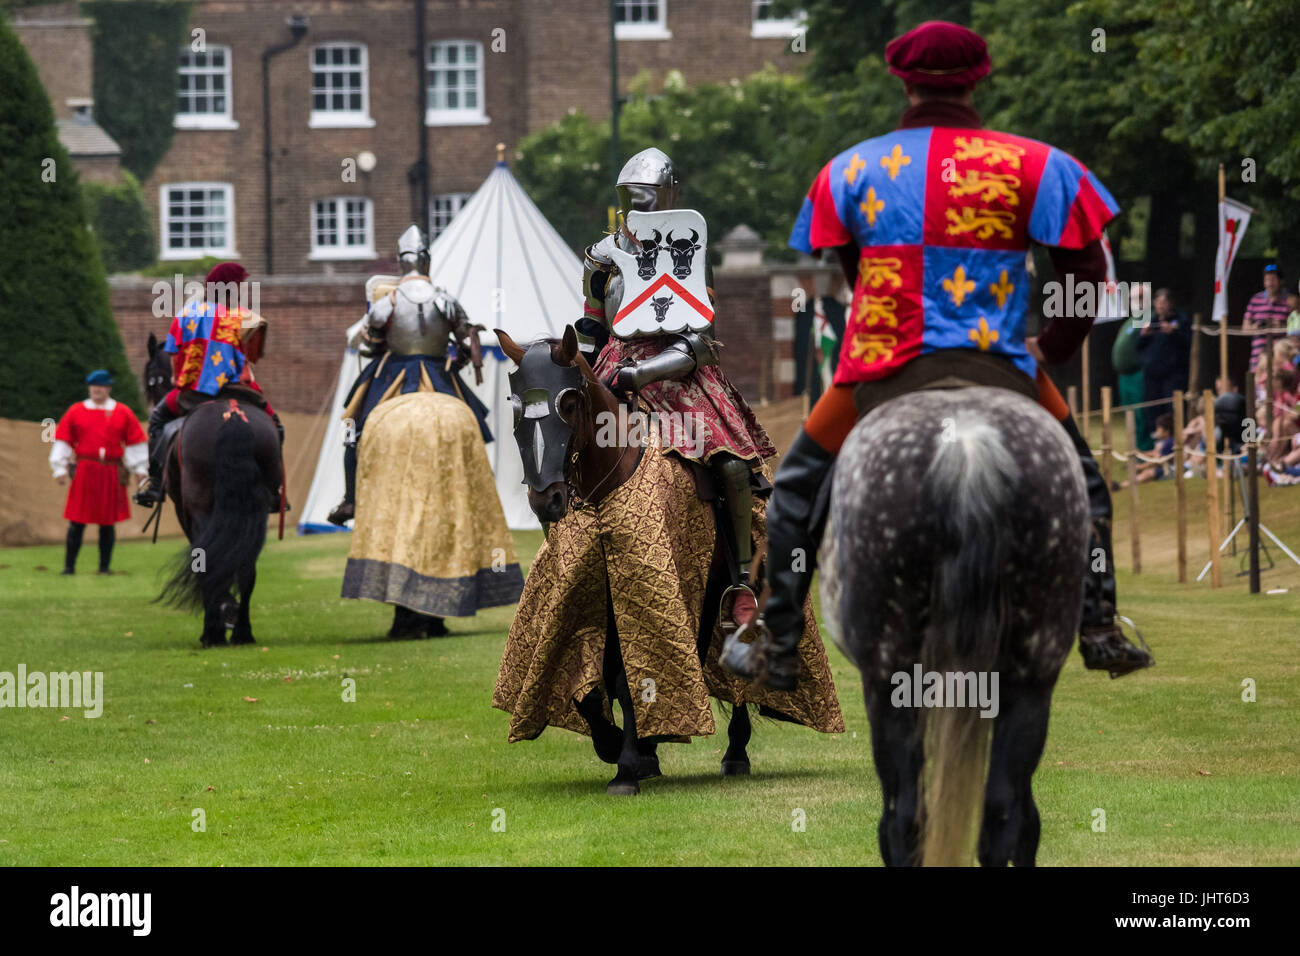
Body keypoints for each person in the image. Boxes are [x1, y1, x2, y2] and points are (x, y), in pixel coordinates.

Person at [732, 20, 1153, 689]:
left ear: (901, 78)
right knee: (1086, 483)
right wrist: (1054, 346)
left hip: (879, 368)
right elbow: (1084, 274)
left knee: (794, 490)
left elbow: (853, 267)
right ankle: (1099, 625)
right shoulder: (1041, 165)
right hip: (1002, 365)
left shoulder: (850, 170)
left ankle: (778, 639)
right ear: (979, 77)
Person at [578, 148, 776, 595]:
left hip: (681, 374)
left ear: (671, 194)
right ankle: (569, 561)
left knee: (731, 465)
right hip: (613, 366)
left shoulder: (691, 250)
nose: (640, 204)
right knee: (569, 455)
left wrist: (644, 373)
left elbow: (703, 340)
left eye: (649, 195)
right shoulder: (602, 255)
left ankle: (740, 576)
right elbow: (591, 327)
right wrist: (586, 379)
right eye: (633, 195)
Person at [326, 225, 489, 526]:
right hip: (438, 372)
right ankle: (479, 491)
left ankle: (351, 500)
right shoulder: (445, 300)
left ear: (402, 262)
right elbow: (466, 339)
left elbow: (370, 341)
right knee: (473, 425)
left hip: (394, 372)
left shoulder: (385, 302)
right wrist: (462, 355)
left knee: (354, 428)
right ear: (427, 261)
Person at [134, 262, 283, 507]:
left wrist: (177, 377)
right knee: (275, 425)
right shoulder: (243, 317)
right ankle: (273, 490)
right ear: (231, 289)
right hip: (238, 391)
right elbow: (251, 357)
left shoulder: (185, 315)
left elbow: (173, 353)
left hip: (193, 393)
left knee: (158, 419)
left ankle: (155, 484)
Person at [49, 370, 148, 574]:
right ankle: (69, 567)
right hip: (85, 470)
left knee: (107, 523)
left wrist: (139, 468)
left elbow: (134, 442)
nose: (97, 390)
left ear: (108, 388)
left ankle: (104, 567)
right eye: (94, 386)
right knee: (76, 521)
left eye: (101, 386)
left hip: (111, 471)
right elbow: (63, 440)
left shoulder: (123, 412)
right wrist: (59, 467)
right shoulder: (76, 411)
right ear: (89, 388)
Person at [1136, 288, 1191, 424]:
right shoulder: (1150, 320)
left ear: (1171, 303)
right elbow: (1137, 347)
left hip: (1173, 375)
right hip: (1152, 376)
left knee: (1173, 409)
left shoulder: (1181, 320)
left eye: (1164, 302)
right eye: (1158, 302)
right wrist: (1143, 336)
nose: (1160, 305)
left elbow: (1189, 343)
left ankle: (1176, 438)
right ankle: (1157, 438)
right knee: (1152, 408)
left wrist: (1173, 333)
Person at [1244, 263, 1290, 371]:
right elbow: (1244, 328)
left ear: (1280, 281)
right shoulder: (1255, 300)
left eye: (1273, 280)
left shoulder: (1288, 302)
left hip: (1280, 360)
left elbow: (1295, 328)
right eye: (1267, 280)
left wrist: (1281, 326)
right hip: (1258, 358)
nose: (1270, 283)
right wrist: (1255, 327)